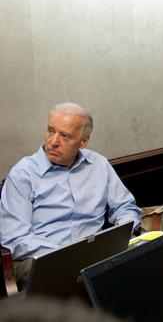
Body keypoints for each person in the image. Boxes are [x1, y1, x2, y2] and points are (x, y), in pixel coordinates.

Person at [0, 103, 141, 288]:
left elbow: (125, 207)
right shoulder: (23, 174)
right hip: (43, 259)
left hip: (96, 255)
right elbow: (15, 238)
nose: (53, 141)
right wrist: (70, 255)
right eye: (51, 131)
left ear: (83, 142)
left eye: (65, 136)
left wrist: (118, 239)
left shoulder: (98, 165)